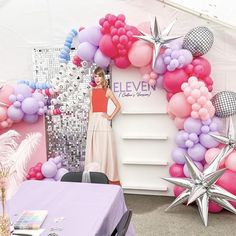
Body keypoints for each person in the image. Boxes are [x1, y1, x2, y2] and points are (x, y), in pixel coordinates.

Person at [85, 67, 121, 183]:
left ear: (103, 77)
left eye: (99, 76)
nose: (97, 79)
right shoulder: (91, 91)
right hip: (93, 121)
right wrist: (90, 123)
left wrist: (110, 117)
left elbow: (118, 106)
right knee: (94, 147)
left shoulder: (107, 91)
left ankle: (104, 172)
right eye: (95, 76)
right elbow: (91, 108)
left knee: (104, 145)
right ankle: (95, 173)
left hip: (103, 121)